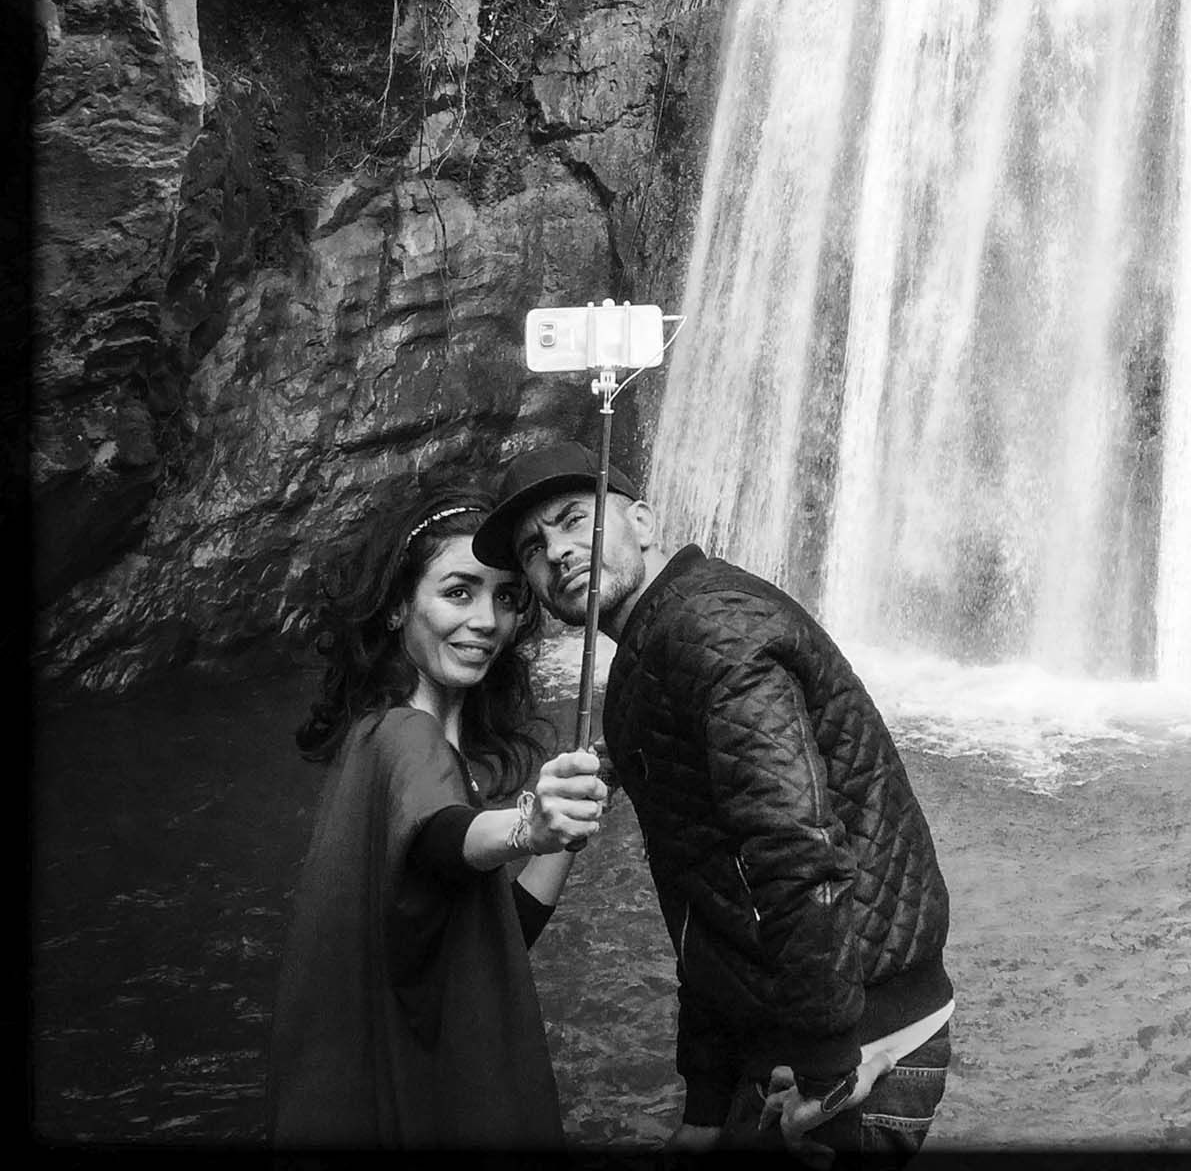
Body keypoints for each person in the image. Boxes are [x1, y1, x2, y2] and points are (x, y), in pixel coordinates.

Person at [474, 442, 955, 1165]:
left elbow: (793, 842)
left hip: (856, 1046)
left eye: (575, 520)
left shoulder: (708, 628)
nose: (559, 552)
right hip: (800, 1034)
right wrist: (705, 1098)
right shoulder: (655, 651)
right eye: (535, 548)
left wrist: (826, 1072)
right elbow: (702, 891)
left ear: (642, 519)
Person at [268, 481, 610, 1149]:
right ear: (399, 606)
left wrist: (568, 824)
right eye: (459, 592)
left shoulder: (410, 742)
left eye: (506, 597)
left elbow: (499, 930)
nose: (487, 619)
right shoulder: (404, 738)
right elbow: (444, 836)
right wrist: (527, 824)